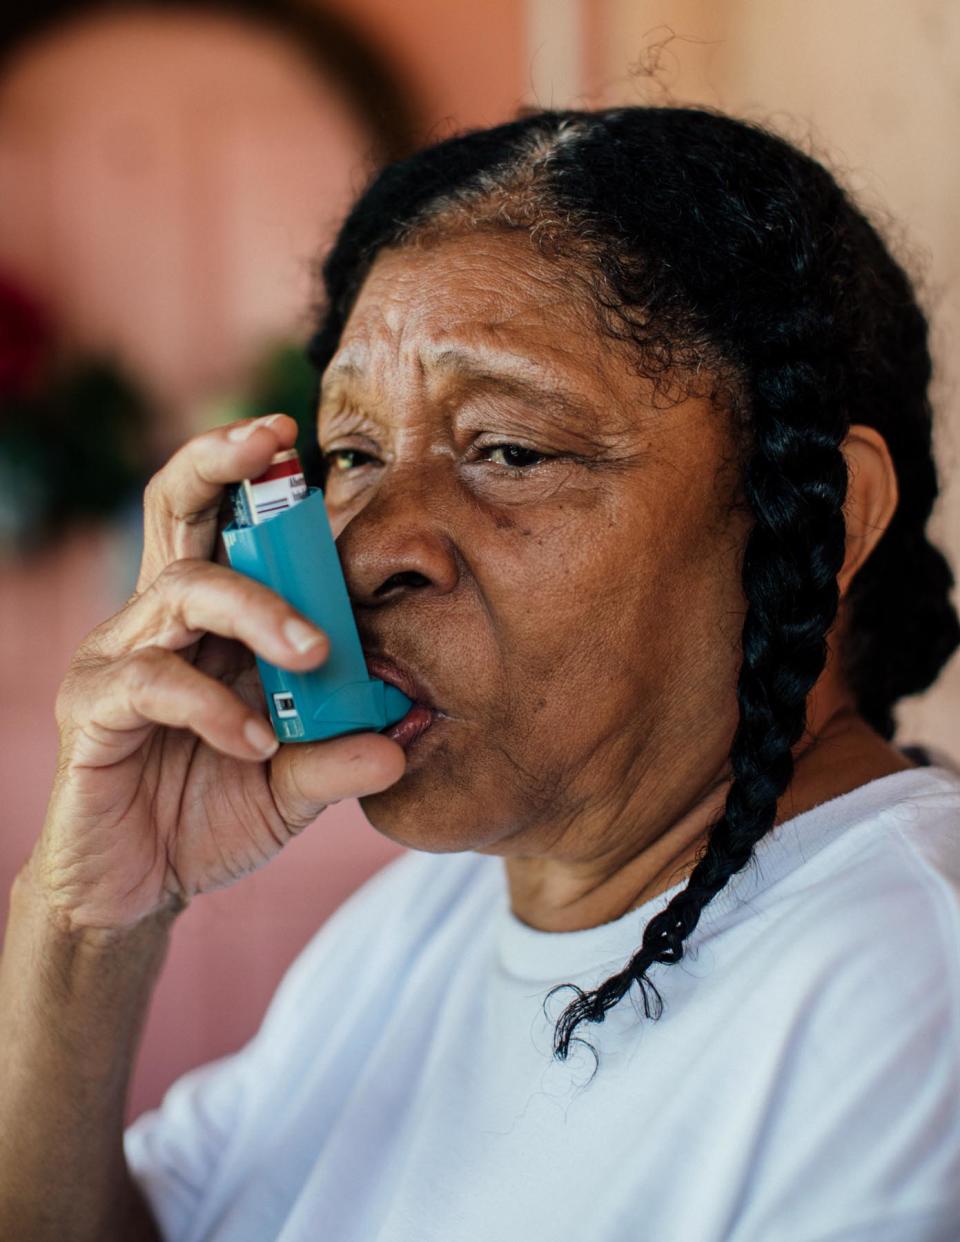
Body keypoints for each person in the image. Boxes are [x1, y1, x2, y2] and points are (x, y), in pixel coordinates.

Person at [2, 105, 959, 1242]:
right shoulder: (435, 910)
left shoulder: (907, 1004)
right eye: (352, 455)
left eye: (509, 450)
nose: (363, 548)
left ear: (826, 517)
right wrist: (86, 925)